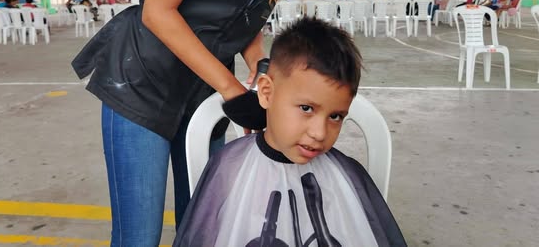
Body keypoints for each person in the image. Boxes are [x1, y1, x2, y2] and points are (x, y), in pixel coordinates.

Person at [71, 0, 368, 246]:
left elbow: (247, 18)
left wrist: (262, 68)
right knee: (139, 236)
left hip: (202, 91)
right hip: (141, 82)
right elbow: (157, 11)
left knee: (202, 226)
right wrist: (232, 90)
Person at [174, 18, 406, 246]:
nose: (319, 133)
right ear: (266, 93)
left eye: (335, 116)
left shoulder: (348, 177)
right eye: (306, 108)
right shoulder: (229, 168)